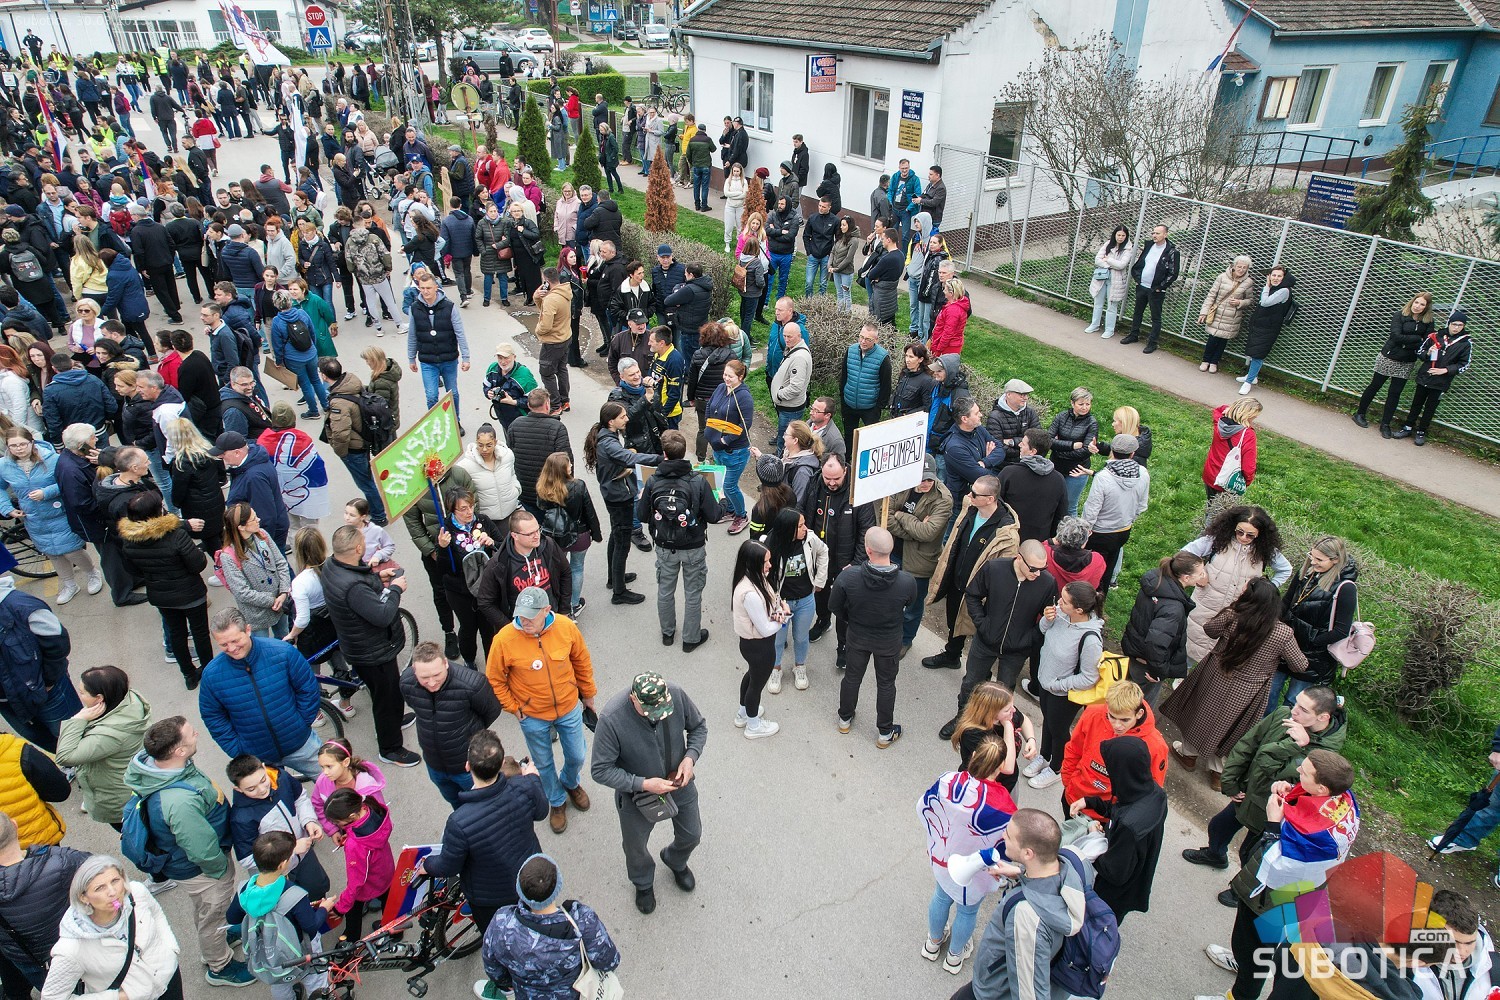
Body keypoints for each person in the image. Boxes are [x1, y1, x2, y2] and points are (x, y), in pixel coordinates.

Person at [1205, 749, 1359, 1000]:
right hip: (1299, 892)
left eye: (1304, 773)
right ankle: (1243, 963)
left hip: (1271, 897)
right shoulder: (1342, 799)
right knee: (1257, 947)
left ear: (1322, 788)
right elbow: (1305, 808)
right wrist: (1291, 791)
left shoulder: (1311, 835)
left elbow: (1278, 864)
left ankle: (1240, 991)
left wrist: (1273, 823)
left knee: (1253, 951)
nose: (1298, 771)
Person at [123, 716, 256, 985]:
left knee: (207, 910)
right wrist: (220, 869)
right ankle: (219, 966)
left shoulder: (166, 769)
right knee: (213, 913)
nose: (197, 733)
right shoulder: (179, 802)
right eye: (191, 733)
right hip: (201, 869)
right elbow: (201, 849)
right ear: (179, 751)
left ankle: (216, 940)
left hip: (190, 865)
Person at [1182, 686, 1347, 890]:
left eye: (1303, 710)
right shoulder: (1284, 714)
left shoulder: (1325, 754)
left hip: (1273, 810)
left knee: (1250, 855)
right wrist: (1230, 780)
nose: (1294, 711)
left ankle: (1240, 891)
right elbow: (1249, 744)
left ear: (1323, 717)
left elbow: (1271, 767)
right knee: (1218, 827)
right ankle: (1215, 855)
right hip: (1248, 793)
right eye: (1296, 703)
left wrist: (1296, 745)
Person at [422, 728, 546, 976]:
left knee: (500, 940)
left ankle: (507, 980)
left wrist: (426, 864)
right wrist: (533, 779)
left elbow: (448, 865)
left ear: (468, 766)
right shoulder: (524, 786)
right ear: (500, 764)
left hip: (490, 898)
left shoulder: (460, 821)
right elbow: (541, 812)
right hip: (529, 877)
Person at [1165, 578, 1308, 788]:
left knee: (1201, 713)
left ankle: (1188, 754)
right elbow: (1300, 665)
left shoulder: (1234, 615)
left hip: (1216, 675)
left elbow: (1210, 629)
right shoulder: (1282, 633)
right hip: (1249, 688)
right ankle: (1218, 772)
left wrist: (1230, 611)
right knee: (1234, 727)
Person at [590, 672, 706, 915]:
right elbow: (600, 770)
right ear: (634, 699)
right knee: (635, 847)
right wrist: (642, 784)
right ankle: (643, 883)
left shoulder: (675, 694)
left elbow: (698, 727)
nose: (659, 716)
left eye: (664, 710)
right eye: (651, 711)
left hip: (678, 782)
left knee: (692, 834)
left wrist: (690, 758)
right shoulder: (611, 718)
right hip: (637, 795)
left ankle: (675, 860)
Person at [485, 587, 595, 836]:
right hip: (532, 715)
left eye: (530, 617)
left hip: (568, 707)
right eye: (520, 615)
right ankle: (556, 801)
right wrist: (513, 708)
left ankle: (570, 782)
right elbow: (495, 679)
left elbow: (582, 661)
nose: (524, 622)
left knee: (577, 755)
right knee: (543, 764)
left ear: (547, 610)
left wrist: (588, 695)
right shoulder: (504, 639)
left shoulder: (566, 628)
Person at [954, 808, 1091, 1000]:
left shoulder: (1026, 918)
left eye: (1009, 835)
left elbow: (1031, 993)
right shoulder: (1071, 864)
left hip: (993, 992)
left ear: (1028, 853)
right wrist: (1021, 873)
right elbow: (1048, 886)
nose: (1003, 835)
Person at [320, 525, 419, 768]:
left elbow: (361, 583)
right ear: (357, 549)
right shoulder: (353, 587)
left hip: (359, 645)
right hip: (373, 651)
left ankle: (394, 720)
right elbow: (383, 615)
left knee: (388, 692)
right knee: (385, 696)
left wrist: (379, 579)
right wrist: (395, 589)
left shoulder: (333, 566)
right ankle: (390, 748)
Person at [921, 735, 1017, 976]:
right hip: (976, 870)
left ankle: (933, 943)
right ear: (1000, 767)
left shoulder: (948, 780)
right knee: (967, 910)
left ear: (973, 755)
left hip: (945, 857)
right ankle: (954, 956)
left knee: (941, 897)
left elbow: (926, 806)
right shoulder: (1003, 804)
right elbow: (1006, 844)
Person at [948, 539, 1055, 741]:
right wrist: (982, 624)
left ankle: (994, 729)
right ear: (1019, 558)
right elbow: (972, 595)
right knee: (971, 683)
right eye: (1033, 568)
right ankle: (962, 719)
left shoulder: (1047, 583)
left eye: (1043, 569)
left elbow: (1048, 615)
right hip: (985, 642)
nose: (1038, 574)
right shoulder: (994, 568)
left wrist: (1031, 637)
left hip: (1017, 650)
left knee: (1005, 691)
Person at [38, 854, 185, 1000]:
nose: (113, 892)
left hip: (168, 978)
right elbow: (52, 997)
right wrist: (119, 997)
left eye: (115, 881)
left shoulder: (136, 893)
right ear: (83, 897)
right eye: (100, 888)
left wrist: (170, 949)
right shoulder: (71, 948)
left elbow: (156, 913)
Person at [478, 854, 621, 1000]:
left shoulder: (502, 922)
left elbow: (492, 966)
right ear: (558, 885)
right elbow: (609, 961)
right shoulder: (582, 922)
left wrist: (507, 982)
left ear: (519, 889)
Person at [922, 475, 1019, 673]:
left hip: (979, 591)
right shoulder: (971, 510)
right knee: (954, 620)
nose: (969, 495)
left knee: (977, 630)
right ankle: (952, 655)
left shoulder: (1006, 532)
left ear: (990, 499)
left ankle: (980, 673)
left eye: (975, 493)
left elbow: (1004, 572)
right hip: (957, 580)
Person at [832, 526, 917, 748]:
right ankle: (885, 732)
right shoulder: (907, 581)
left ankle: (844, 719)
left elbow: (835, 606)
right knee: (886, 684)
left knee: (852, 678)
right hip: (888, 642)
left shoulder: (849, 576)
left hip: (857, 636)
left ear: (868, 550)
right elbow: (910, 605)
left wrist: (852, 619)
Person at [117, 492, 213, 687]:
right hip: (190, 593)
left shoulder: (129, 541)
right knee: (200, 633)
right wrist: (198, 553)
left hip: (161, 595)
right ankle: (209, 671)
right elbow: (198, 564)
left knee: (176, 634)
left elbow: (133, 570)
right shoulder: (176, 535)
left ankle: (189, 676)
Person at [640, 430, 721, 650]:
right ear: (685, 452)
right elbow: (714, 516)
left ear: (664, 453)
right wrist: (720, 501)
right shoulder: (698, 481)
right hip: (693, 545)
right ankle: (690, 638)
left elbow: (641, 515)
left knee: (665, 590)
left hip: (665, 545)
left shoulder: (653, 480)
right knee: (693, 593)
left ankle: (667, 634)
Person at [399, 642, 503, 809]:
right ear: (414, 670)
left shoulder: (473, 684)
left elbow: (492, 710)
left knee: (484, 807)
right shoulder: (406, 682)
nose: (431, 683)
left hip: (468, 768)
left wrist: (471, 732)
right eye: (424, 678)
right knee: (456, 804)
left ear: (446, 663)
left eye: (437, 675)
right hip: (435, 765)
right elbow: (414, 705)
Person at [0, 427, 97, 605]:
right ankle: (69, 584)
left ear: (32, 442)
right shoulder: (4, 465)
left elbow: (68, 482)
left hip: (59, 513)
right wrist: (7, 508)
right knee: (53, 554)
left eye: (23, 444)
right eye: (13, 445)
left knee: (72, 550)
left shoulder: (52, 459)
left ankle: (92, 574)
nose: (19, 448)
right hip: (32, 517)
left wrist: (46, 492)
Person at [1077, 735, 1167, 923]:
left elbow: (1114, 872)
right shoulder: (1154, 792)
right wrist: (1091, 802)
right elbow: (1121, 809)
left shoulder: (1129, 826)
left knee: (1096, 928)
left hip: (1113, 895)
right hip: (1137, 878)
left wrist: (1094, 839)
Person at [0, 811, 88, 1000]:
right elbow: (100, 869)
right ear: (15, 825)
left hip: (28, 958)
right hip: (74, 947)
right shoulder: (61, 861)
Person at [53, 665, 149, 830]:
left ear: (99, 698)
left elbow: (65, 756)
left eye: (82, 693)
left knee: (133, 836)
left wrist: (78, 719)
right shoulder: (127, 698)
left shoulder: (109, 734)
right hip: (131, 784)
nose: (80, 696)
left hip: (118, 800)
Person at [802, 453, 876, 668]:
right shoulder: (814, 483)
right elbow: (803, 511)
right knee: (820, 592)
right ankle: (823, 620)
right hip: (819, 557)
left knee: (844, 607)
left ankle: (843, 646)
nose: (832, 483)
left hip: (846, 561)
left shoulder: (859, 492)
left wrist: (856, 562)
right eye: (828, 478)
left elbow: (867, 531)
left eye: (836, 478)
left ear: (845, 470)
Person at [1029, 582, 1104, 791]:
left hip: (1063, 693)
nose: (1058, 602)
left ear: (1079, 610)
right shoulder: (1061, 614)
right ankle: (1044, 756)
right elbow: (1042, 631)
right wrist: (1047, 619)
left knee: (1059, 730)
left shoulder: (1091, 640)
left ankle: (1056, 768)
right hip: (1046, 682)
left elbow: (1089, 677)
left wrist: (1058, 685)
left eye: (1064, 601)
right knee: (1048, 721)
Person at [1271, 535, 1360, 714]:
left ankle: (1281, 731)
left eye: (1319, 559)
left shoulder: (1346, 588)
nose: (1313, 562)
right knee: (1269, 692)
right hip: (1286, 644)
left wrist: (1311, 641)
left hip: (1314, 657)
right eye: (1311, 556)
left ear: (1335, 560)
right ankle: (1260, 727)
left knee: (1295, 702)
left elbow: (1341, 630)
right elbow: (1286, 602)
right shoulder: (1306, 572)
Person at [584, 400, 659, 606]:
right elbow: (628, 458)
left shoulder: (606, 435)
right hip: (619, 497)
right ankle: (619, 592)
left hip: (613, 494)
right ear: (611, 421)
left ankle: (613, 578)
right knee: (622, 542)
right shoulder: (608, 443)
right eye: (622, 417)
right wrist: (658, 459)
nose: (627, 419)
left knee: (616, 536)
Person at [224, 755, 329, 901]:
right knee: (288, 904)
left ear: (263, 767)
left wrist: (309, 821)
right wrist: (290, 851)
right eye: (251, 789)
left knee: (317, 888)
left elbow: (299, 798)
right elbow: (247, 858)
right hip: (276, 872)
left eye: (263, 780)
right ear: (238, 789)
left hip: (303, 852)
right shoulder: (241, 818)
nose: (262, 789)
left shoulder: (281, 778)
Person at [1119, 551, 1205, 705]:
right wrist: (1157, 672)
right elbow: (1156, 642)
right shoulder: (1173, 608)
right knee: (1137, 708)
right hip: (1147, 667)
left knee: (1122, 698)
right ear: (1186, 578)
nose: (1203, 576)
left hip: (1135, 652)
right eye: (1200, 573)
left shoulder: (1156, 583)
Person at [889, 455, 954, 656]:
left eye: (929, 479)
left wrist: (901, 515)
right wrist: (914, 528)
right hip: (893, 553)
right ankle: (887, 632)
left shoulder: (943, 499)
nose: (925, 483)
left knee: (913, 605)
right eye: (921, 479)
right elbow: (884, 516)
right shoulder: (901, 484)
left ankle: (905, 640)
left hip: (919, 561)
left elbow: (927, 533)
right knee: (889, 597)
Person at [473, 509, 572, 638]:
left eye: (537, 530)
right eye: (530, 533)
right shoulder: (499, 563)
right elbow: (485, 601)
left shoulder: (548, 545)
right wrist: (509, 628)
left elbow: (565, 572)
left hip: (550, 621)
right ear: (515, 536)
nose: (537, 536)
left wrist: (564, 611)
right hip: (522, 630)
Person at [1352, 292, 1436, 436]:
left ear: (1426, 307)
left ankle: (1385, 424)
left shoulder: (1428, 322)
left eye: (1422, 304)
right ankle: (1360, 413)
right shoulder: (1400, 315)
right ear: (1412, 302)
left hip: (1407, 361)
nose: (1417, 306)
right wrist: (1417, 339)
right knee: (1375, 385)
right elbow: (1396, 336)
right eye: (1416, 302)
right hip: (1389, 357)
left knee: (1395, 393)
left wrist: (1411, 341)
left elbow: (1427, 341)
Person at [1082, 432, 1149, 609]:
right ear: (1133, 453)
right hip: (1123, 531)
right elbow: (1142, 506)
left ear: (1112, 451)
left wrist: (1085, 532)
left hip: (1099, 533)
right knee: (1108, 569)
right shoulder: (1143, 473)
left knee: (1091, 569)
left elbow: (1091, 510)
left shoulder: (1103, 477)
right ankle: (1100, 604)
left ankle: (1085, 602)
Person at [317, 787, 394, 938]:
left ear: (352, 816)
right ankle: (393, 932)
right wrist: (349, 832)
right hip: (386, 869)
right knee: (389, 903)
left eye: (338, 822)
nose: (338, 825)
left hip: (368, 884)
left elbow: (356, 883)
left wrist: (340, 908)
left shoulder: (355, 845)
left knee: (353, 910)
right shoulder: (371, 807)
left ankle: (351, 941)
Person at [1394, 309, 1472, 445]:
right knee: (1416, 404)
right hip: (1425, 377)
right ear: (1449, 323)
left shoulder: (1465, 343)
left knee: (1430, 408)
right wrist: (1428, 353)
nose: (1456, 328)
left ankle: (1421, 431)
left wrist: (1445, 370)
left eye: (1460, 325)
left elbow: (1464, 364)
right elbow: (1420, 352)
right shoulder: (1435, 336)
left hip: (1441, 382)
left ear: (1463, 326)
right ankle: (1407, 427)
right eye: (1454, 324)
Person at [217, 502, 292, 638]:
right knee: (261, 647)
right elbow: (242, 592)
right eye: (253, 519)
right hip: (257, 614)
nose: (258, 519)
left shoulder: (262, 535)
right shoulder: (228, 556)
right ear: (241, 527)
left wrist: (283, 592)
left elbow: (281, 563)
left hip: (279, 603)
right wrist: (272, 600)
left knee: (284, 638)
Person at [406, 271, 472, 424]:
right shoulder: (415, 308)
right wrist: (411, 358)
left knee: (453, 393)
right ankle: (436, 425)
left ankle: (455, 422)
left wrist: (466, 357)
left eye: (429, 288)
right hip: (427, 360)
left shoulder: (449, 307)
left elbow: (460, 333)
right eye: (422, 288)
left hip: (448, 359)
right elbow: (412, 335)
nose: (425, 291)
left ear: (436, 287)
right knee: (431, 396)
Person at [212, 431, 289, 551]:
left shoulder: (254, 477)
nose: (220, 457)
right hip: (266, 527)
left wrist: (261, 544)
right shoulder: (248, 464)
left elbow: (265, 515)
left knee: (275, 561)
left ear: (237, 452)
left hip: (266, 534)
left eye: (223, 453)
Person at [704, 359, 754, 534]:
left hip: (735, 451)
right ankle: (731, 510)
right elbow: (710, 405)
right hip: (718, 447)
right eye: (725, 374)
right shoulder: (720, 387)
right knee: (723, 483)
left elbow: (745, 424)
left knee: (729, 486)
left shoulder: (744, 397)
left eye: (730, 376)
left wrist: (726, 440)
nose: (726, 378)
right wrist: (709, 425)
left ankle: (742, 516)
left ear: (740, 377)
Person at [997, 429, 1069, 544]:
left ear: (1033, 451)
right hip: (1039, 544)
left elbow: (996, 504)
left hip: (1009, 539)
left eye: (1023, 443)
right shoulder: (1059, 479)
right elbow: (1061, 514)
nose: (1019, 445)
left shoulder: (1009, 473)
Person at [1238, 264, 1297, 395]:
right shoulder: (1275, 288)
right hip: (1260, 326)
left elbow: (1265, 302)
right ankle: (1252, 376)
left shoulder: (1284, 290)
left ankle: (1248, 383)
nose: (1275, 278)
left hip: (1269, 328)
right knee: (1254, 351)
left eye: (1279, 276)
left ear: (1284, 278)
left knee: (1258, 355)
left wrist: (1266, 286)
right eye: (1273, 275)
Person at [1120, 223, 1179, 352]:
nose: (1154, 235)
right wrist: (1138, 279)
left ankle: (1152, 342)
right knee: (1138, 312)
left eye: (1157, 233)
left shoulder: (1172, 252)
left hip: (1156, 290)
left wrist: (1160, 287)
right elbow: (1141, 263)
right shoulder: (1149, 246)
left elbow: (1173, 273)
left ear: (1165, 234)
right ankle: (1133, 335)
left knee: (1155, 317)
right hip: (1142, 286)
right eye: (1153, 233)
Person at [1197, 255, 1255, 372]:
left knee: (1223, 340)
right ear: (1234, 266)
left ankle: (1214, 362)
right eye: (1239, 266)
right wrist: (1203, 312)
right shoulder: (1222, 277)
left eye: (1244, 267)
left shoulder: (1248, 282)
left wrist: (1240, 302)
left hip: (1232, 316)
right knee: (1212, 338)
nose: (1241, 269)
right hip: (1217, 313)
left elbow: (1250, 300)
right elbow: (1211, 295)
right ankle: (1205, 360)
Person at [1202, 397, 1261, 504]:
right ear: (1248, 416)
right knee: (1223, 512)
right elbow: (1248, 467)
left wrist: (1232, 409)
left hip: (1210, 474)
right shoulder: (1248, 435)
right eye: (1254, 416)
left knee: (1211, 504)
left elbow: (1219, 409)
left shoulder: (1219, 421)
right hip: (1228, 482)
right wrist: (1245, 482)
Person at [839, 323, 891, 434]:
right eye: (861, 337)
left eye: (868, 339)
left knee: (870, 438)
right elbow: (844, 377)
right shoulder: (851, 350)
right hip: (849, 404)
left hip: (870, 408)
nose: (863, 341)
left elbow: (886, 386)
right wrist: (843, 398)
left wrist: (878, 408)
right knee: (849, 436)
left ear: (876, 340)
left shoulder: (883, 358)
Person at [1085, 225, 1132, 338]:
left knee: (1112, 305)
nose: (1120, 237)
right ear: (1114, 235)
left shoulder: (1128, 249)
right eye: (1118, 235)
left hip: (1116, 281)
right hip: (1101, 277)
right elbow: (1097, 259)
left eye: (1123, 235)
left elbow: (1121, 265)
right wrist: (1109, 265)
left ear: (1126, 236)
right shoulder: (1108, 244)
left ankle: (1109, 329)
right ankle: (1095, 324)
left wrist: (1108, 259)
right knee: (1098, 302)